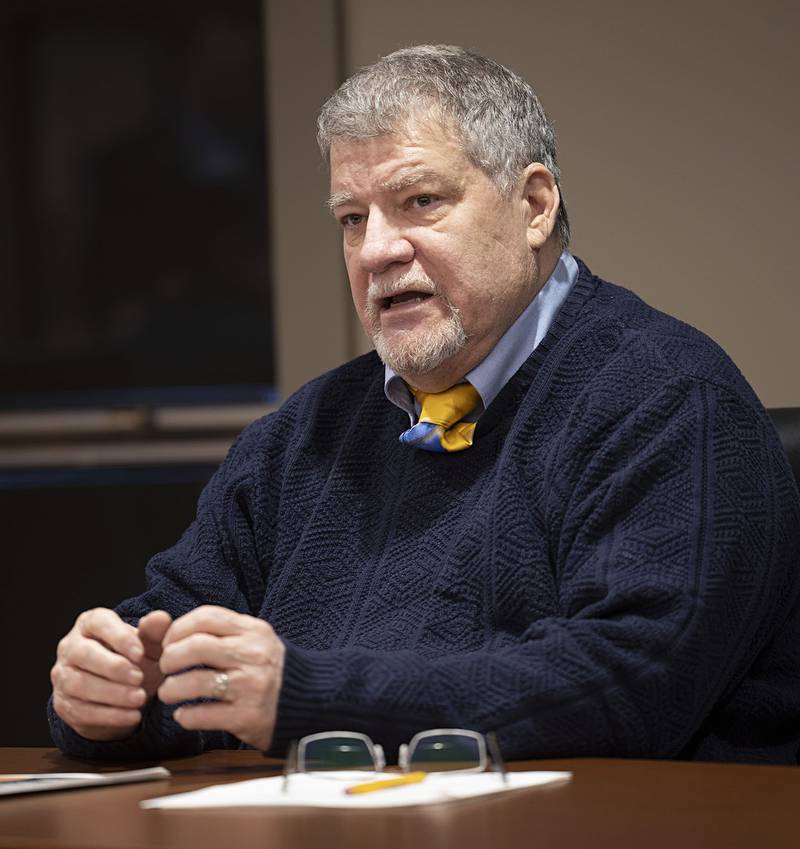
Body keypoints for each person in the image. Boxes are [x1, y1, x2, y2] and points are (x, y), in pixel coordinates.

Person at [49, 45, 800, 764]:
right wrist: (112, 694)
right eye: (352, 218)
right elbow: (177, 636)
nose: (376, 249)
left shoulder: (669, 398)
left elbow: (632, 683)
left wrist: (308, 697)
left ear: (535, 205)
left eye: (419, 201)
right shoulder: (302, 436)